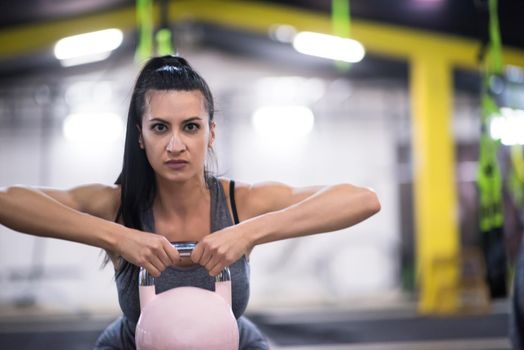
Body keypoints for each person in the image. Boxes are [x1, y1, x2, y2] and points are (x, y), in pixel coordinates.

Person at [0, 55, 381, 349]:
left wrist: (248, 233)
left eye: (191, 127)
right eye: (160, 127)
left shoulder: (238, 202)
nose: (175, 145)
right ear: (140, 135)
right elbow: (8, 202)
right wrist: (116, 237)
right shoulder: (116, 206)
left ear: (211, 133)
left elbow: (363, 200)